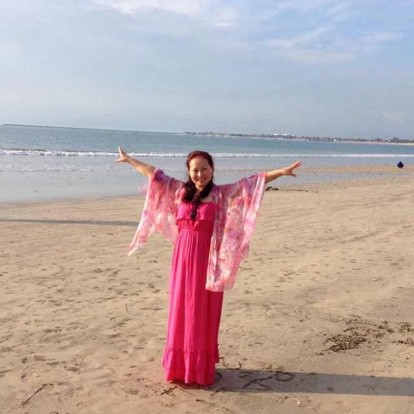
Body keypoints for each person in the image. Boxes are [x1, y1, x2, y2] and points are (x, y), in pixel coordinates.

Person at [116, 147, 301, 386]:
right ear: (188, 171)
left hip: (208, 260)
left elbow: (252, 183)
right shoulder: (179, 191)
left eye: (204, 169)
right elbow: (153, 173)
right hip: (182, 259)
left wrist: (282, 172)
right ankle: (179, 366)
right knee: (181, 306)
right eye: (195, 170)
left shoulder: (221, 195)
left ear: (212, 169)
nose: (200, 174)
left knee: (201, 310)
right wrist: (129, 160)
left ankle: (198, 367)